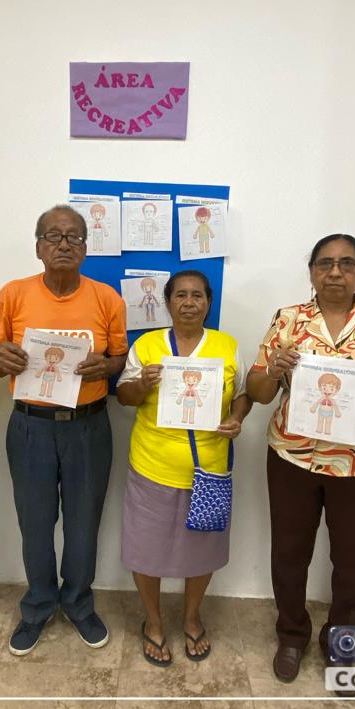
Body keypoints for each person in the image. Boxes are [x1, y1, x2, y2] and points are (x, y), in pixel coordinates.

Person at [246, 233, 355, 688]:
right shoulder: (288, 320)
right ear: (311, 271)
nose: (335, 272)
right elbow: (258, 391)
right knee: (289, 555)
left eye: (347, 263)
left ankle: (344, 644)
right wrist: (274, 369)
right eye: (325, 263)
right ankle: (291, 636)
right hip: (293, 460)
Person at [0, 205, 128, 656]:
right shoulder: (12, 295)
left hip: (88, 427)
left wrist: (106, 367)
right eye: (54, 236)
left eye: (74, 237)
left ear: (86, 248)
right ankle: (37, 607)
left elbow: (121, 358)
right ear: (38, 247)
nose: (64, 244)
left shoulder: (107, 298)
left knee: (84, 524)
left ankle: (79, 604)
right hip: (31, 426)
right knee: (35, 524)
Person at [116, 270, 250, 665]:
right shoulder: (147, 345)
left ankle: (192, 618)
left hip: (209, 468)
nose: (189, 302)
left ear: (208, 302)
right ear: (168, 302)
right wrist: (142, 384)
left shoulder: (227, 346)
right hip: (151, 466)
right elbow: (124, 396)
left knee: (202, 550)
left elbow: (242, 395)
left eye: (197, 296)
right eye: (180, 295)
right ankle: (154, 621)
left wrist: (237, 418)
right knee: (146, 548)